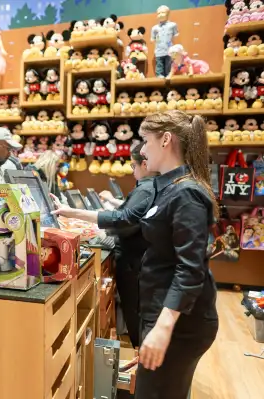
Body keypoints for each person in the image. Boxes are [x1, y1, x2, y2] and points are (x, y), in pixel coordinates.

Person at [56, 110, 219, 399]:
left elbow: (190, 268)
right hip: (164, 315)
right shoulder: (166, 187)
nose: (142, 150)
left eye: (145, 141)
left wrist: (162, 330)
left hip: (180, 323)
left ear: (166, 139)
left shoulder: (187, 194)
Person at [50, 142, 157, 348]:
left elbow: (123, 220)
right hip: (138, 261)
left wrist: (71, 212)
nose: (132, 171)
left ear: (144, 164)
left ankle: (141, 361)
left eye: (133, 167)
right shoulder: (150, 187)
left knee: (136, 315)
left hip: (134, 262)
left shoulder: (146, 188)